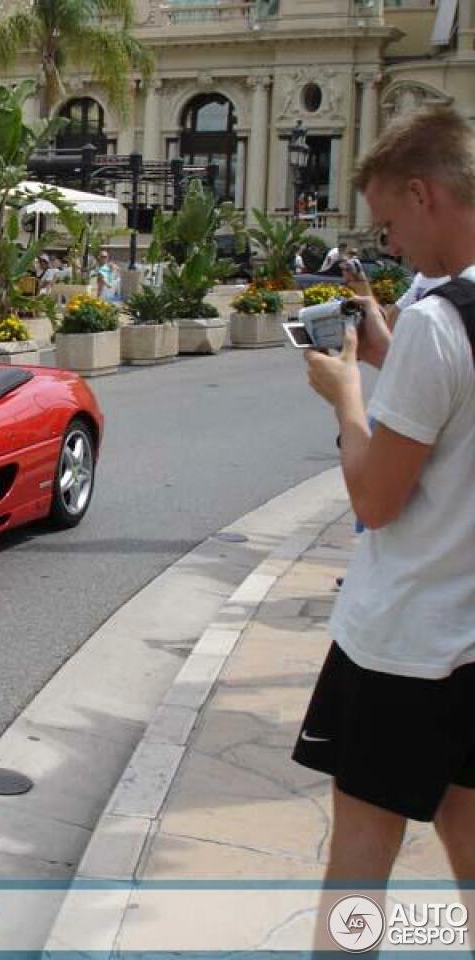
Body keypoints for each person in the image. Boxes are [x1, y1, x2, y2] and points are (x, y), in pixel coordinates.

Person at [295, 104, 475, 947]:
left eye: (390, 222)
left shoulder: (438, 328)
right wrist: (386, 350)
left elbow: (376, 500)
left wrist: (348, 395)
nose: (390, 244)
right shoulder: (441, 326)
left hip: (406, 642)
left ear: (422, 194)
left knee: (359, 866)